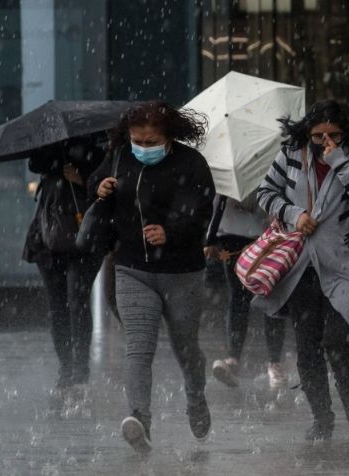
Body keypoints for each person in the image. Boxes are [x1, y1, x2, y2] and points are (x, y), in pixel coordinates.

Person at [90, 101, 216, 453]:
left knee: (186, 348)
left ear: (169, 136)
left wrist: (172, 232)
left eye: (151, 141)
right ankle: (140, 421)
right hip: (132, 269)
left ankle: (195, 398)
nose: (143, 148)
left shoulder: (191, 164)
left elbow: (203, 210)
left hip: (182, 272)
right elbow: (93, 182)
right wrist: (99, 188)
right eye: (138, 140)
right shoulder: (119, 156)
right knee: (139, 348)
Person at [255, 100, 349, 441]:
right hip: (300, 266)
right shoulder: (292, 155)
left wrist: (339, 161)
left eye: (333, 135)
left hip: (345, 265)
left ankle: (347, 384)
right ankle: (321, 418)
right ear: (306, 134)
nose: (325, 141)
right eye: (317, 135)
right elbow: (265, 192)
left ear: (344, 134)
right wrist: (294, 214)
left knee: (338, 338)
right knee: (307, 347)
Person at [23, 137, 105, 400]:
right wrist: (57, 155)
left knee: (77, 300)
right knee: (57, 306)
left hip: (83, 237)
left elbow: (109, 187)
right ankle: (66, 369)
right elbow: (36, 163)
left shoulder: (96, 150)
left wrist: (82, 178)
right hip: (49, 237)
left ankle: (80, 371)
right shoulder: (48, 147)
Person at [205, 192, 288, 388]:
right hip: (235, 234)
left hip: (263, 233)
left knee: (266, 295)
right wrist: (210, 237)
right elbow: (220, 198)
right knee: (240, 296)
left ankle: (273, 362)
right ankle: (236, 358)